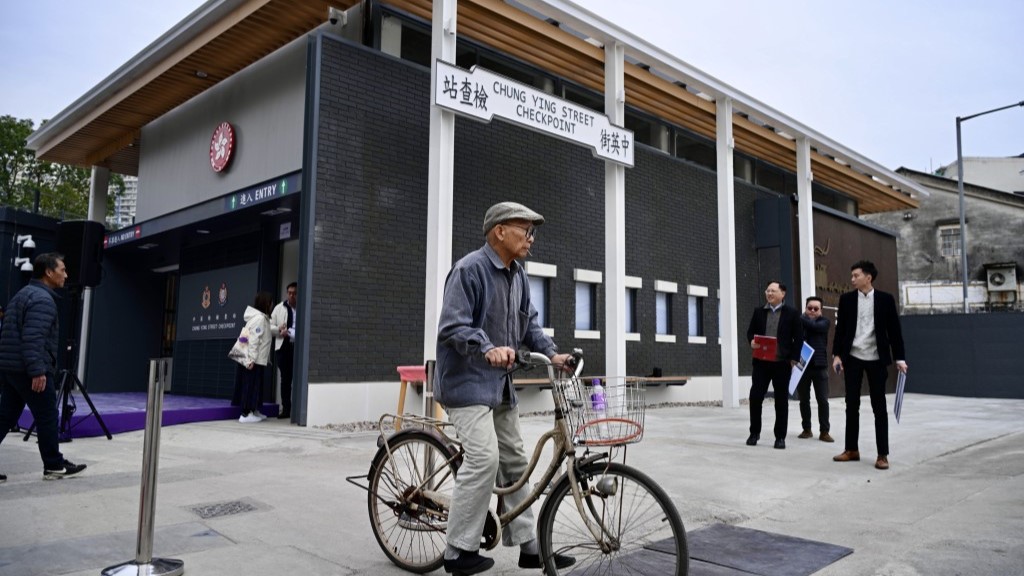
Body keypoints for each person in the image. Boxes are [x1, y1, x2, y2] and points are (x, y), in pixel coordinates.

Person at [435, 201, 575, 575]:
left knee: (516, 463)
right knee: (485, 458)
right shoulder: (469, 270)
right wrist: (487, 347)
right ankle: (457, 551)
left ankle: (530, 546)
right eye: (525, 230)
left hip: (499, 385)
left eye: (533, 232)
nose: (531, 238)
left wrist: (553, 355)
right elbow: (452, 326)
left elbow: (530, 325)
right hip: (466, 385)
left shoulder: (519, 276)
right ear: (500, 231)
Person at [0, 253, 86, 481]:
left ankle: (54, 463)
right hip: (28, 369)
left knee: (5, 416)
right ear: (48, 272)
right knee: (47, 414)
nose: (66, 275)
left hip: (12, 368)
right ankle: (54, 465)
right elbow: (33, 338)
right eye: (62, 270)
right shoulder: (42, 300)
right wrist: (37, 370)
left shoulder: (23, 294)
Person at [831, 260, 908, 470]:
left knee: (879, 407)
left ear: (868, 277)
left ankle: (882, 454)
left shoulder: (885, 299)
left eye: (856, 275)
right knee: (851, 405)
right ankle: (851, 449)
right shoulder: (846, 300)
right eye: (852, 276)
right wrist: (837, 355)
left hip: (876, 358)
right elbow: (840, 330)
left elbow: (894, 331)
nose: (852, 279)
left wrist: (900, 359)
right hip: (853, 357)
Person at [745, 281, 804, 450]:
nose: (769, 293)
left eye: (773, 291)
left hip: (781, 364)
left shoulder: (792, 313)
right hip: (761, 363)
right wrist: (752, 341)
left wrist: (793, 359)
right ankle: (754, 433)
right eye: (767, 290)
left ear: (782, 293)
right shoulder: (759, 311)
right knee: (755, 397)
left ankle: (780, 437)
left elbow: (798, 338)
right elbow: (750, 332)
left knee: (781, 401)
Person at [796, 296, 833, 442]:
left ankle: (824, 431)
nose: (812, 311)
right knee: (803, 400)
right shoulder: (798, 322)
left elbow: (815, 327)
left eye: (816, 309)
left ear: (821, 310)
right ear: (805, 308)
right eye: (809, 308)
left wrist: (799, 318)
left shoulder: (824, 322)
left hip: (819, 365)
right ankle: (807, 429)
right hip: (802, 364)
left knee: (822, 400)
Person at [237, 291, 273, 423]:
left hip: (258, 359)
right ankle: (245, 414)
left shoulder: (261, 318)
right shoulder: (259, 319)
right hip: (254, 360)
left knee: (256, 386)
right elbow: (254, 340)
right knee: (250, 386)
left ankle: (254, 410)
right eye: (271, 303)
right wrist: (251, 360)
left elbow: (265, 332)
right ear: (266, 303)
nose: (272, 305)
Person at [270, 282, 297, 419]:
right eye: (289, 293)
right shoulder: (279, 308)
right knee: (285, 379)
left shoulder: (303, 307)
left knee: (298, 378)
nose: (291, 296)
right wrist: (279, 330)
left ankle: (298, 409)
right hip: (283, 347)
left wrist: (292, 333)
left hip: (298, 348)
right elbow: (269, 326)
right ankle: (286, 409)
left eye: (294, 293)